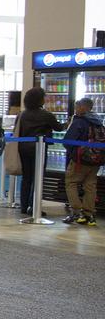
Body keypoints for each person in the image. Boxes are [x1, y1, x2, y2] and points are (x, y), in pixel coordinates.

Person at [14, 87, 61, 216]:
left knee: (26, 177)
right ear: (40, 99)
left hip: (23, 148)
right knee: (38, 178)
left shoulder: (22, 114)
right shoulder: (46, 115)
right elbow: (58, 127)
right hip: (39, 149)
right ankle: (34, 207)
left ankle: (24, 206)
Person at [62, 97, 102, 226]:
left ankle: (76, 212)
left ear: (83, 107)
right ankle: (89, 215)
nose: (75, 109)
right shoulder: (98, 121)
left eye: (77, 106)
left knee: (71, 182)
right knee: (90, 186)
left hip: (80, 160)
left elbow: (67, 141)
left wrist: (73, 153)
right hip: (96, 160)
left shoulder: (79, 121)